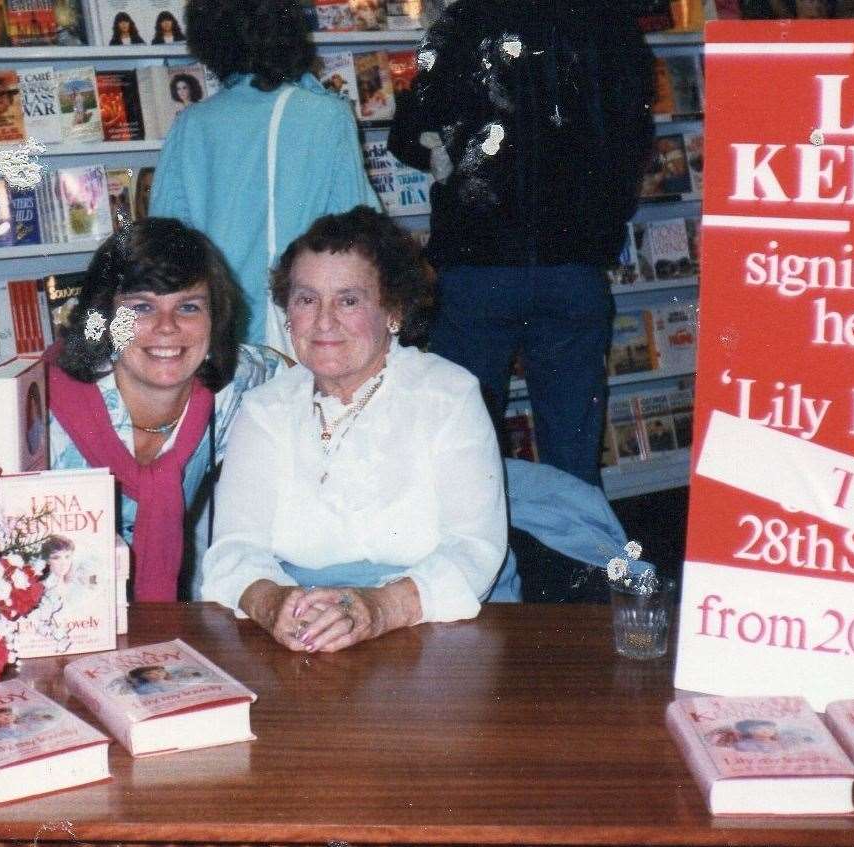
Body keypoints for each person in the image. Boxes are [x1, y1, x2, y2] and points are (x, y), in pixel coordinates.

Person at [200, 207, 507, 653]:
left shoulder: (449, 396)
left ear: (393, 311)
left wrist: (376, 609)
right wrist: (273, 603)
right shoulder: (265, 408)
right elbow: (232, 548)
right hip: (301, 628)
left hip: (431, 627)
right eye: (307, 299)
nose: (324, 322)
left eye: (348, 300)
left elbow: (474, 549)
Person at [388, 0, 654, 487]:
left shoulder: (466, 20)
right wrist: (602, 221)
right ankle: (577, 559)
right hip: (572, 262)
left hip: (479, 260)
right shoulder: (607, 20)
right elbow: (633, 137)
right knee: (573, 452)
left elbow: (408, 134)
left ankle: (483, 560)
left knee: (465, 445)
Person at [48, 218, 279, 602]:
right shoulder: (40, 413)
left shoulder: (235, 383)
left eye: (188, 307)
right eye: (141, 307)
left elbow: (312, 369)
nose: (167, 327)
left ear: (213, 319)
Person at [149, 0, 379, 353]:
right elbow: (360, 232)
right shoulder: (326, 115)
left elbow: (164, 241)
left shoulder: (190, 124)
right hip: (301, 329)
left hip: (219, 332)